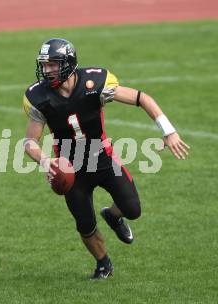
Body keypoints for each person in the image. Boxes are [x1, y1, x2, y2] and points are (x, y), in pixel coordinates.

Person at [23, 38, 189, 279]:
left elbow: (142, 98)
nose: (47, 71)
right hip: (70, 168)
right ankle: (103, 263)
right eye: (44, 65)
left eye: (52, 65)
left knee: (132, 209)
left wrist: (169, 131)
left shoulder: (95, 82)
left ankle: (112, 215)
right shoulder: (39, 96)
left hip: (102, 158)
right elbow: (29, 142)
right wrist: (46, 161)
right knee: (85, 224)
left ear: (68, 64)